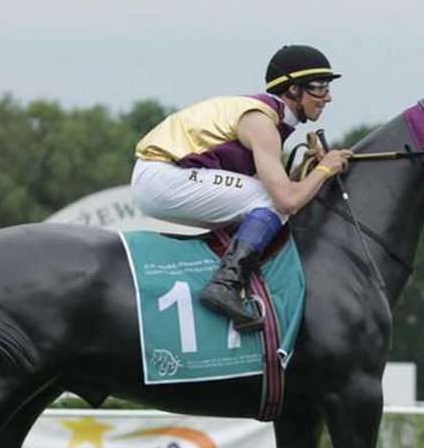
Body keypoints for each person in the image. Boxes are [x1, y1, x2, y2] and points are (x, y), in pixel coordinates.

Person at [132, 44, 354, 332]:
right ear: (292, 90)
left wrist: (306, 171)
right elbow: (286, 200)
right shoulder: (261, 121)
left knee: (267, 200)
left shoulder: (267, 117)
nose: (327, 97)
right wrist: (325, 169)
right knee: (274, 202)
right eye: (319, 87)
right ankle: (226, 284)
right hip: (164, 176)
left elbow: (270, 189)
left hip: (163, 176)